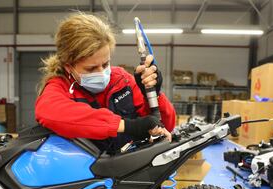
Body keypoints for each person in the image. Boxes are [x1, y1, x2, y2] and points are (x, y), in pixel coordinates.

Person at [35, 13, 176, 153]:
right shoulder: (60, 86)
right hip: (87, 174)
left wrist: (153, 95)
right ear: (68, 66)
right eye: (91, 68)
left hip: (129, 169)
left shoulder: (122, 80)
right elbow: (49, 113)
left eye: (105, 64)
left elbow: (165, 126)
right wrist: (125, 125)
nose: (101, 72)